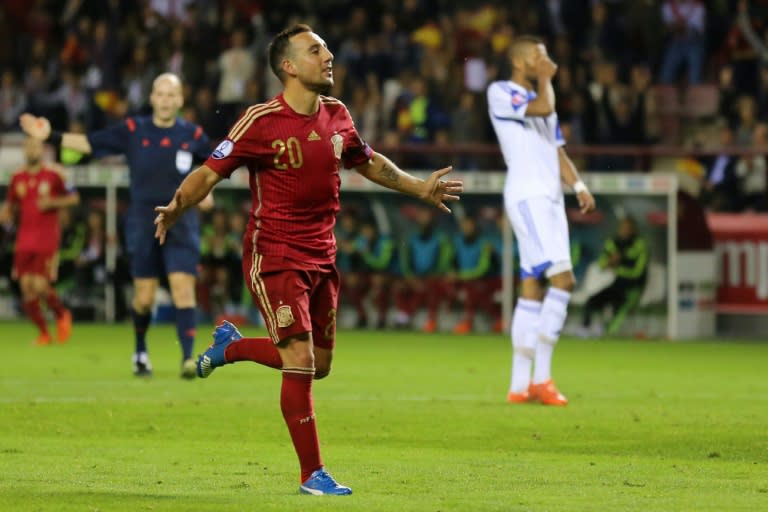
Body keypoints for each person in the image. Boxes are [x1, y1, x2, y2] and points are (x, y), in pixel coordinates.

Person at [153, 24, 461, 496]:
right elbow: (209, 172)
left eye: (327, 48)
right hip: (274, 252)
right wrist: (177, 207)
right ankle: (311, 475)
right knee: (297, 356)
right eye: (316, 50)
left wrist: (419, 187)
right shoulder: (259, 121)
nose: (328, 55)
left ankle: (230, 347)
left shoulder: (338, 114)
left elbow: (368, 160)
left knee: (318, 364)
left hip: (323, 254)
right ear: (289, 67)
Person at [19, 73, 214, 378]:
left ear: (180, 100)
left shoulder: (193, 134)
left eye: (171, 95)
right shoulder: (134, 130)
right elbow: (88, 143)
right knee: (144, 297)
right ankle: (140, 351)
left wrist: (206, 192)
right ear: (152, 98)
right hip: (142, 218)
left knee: (182, 288)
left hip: (182, 218)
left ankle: (188, 360)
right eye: (160, 94)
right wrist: (50, 136)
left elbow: (214, 167)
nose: (165, 100)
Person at [487, 35, 596, 406]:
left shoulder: (542, 103)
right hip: (528, 196)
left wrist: (578, 184)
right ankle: (543, 378)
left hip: (550, 198)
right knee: (563, 280)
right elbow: (542, 107)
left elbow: (557, 149)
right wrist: (548, 80)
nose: (546, 61)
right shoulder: (500, 91)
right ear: (520, 63)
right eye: (539, 56)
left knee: (533, 283)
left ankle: (519, 386)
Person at [0, 137, 79, 345]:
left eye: (35, 147)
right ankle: (44, 333)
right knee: (26, 288)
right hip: (23, 239)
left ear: (42, 150)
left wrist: (53, 202)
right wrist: (6, 212)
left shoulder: (54, 174)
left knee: (41, 285)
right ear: (24, 150)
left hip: (47, 238)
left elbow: (74, 197)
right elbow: (11, 205)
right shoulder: (17, 177)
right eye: (28, 147)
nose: (32, 151)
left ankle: (62, 314)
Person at [580, 217, 649, 337]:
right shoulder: (613, 243)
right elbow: (601, 264)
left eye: (628, 228)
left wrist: (619, 265)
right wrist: (609, 262)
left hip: (633, 287)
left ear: (633, 230)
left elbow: (638, 271)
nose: (625, 230)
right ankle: (584, 329)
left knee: (620, 307)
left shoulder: (640, 245)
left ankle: (608, 332)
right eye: (623, 228)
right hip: (617, 284)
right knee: (592, 301)